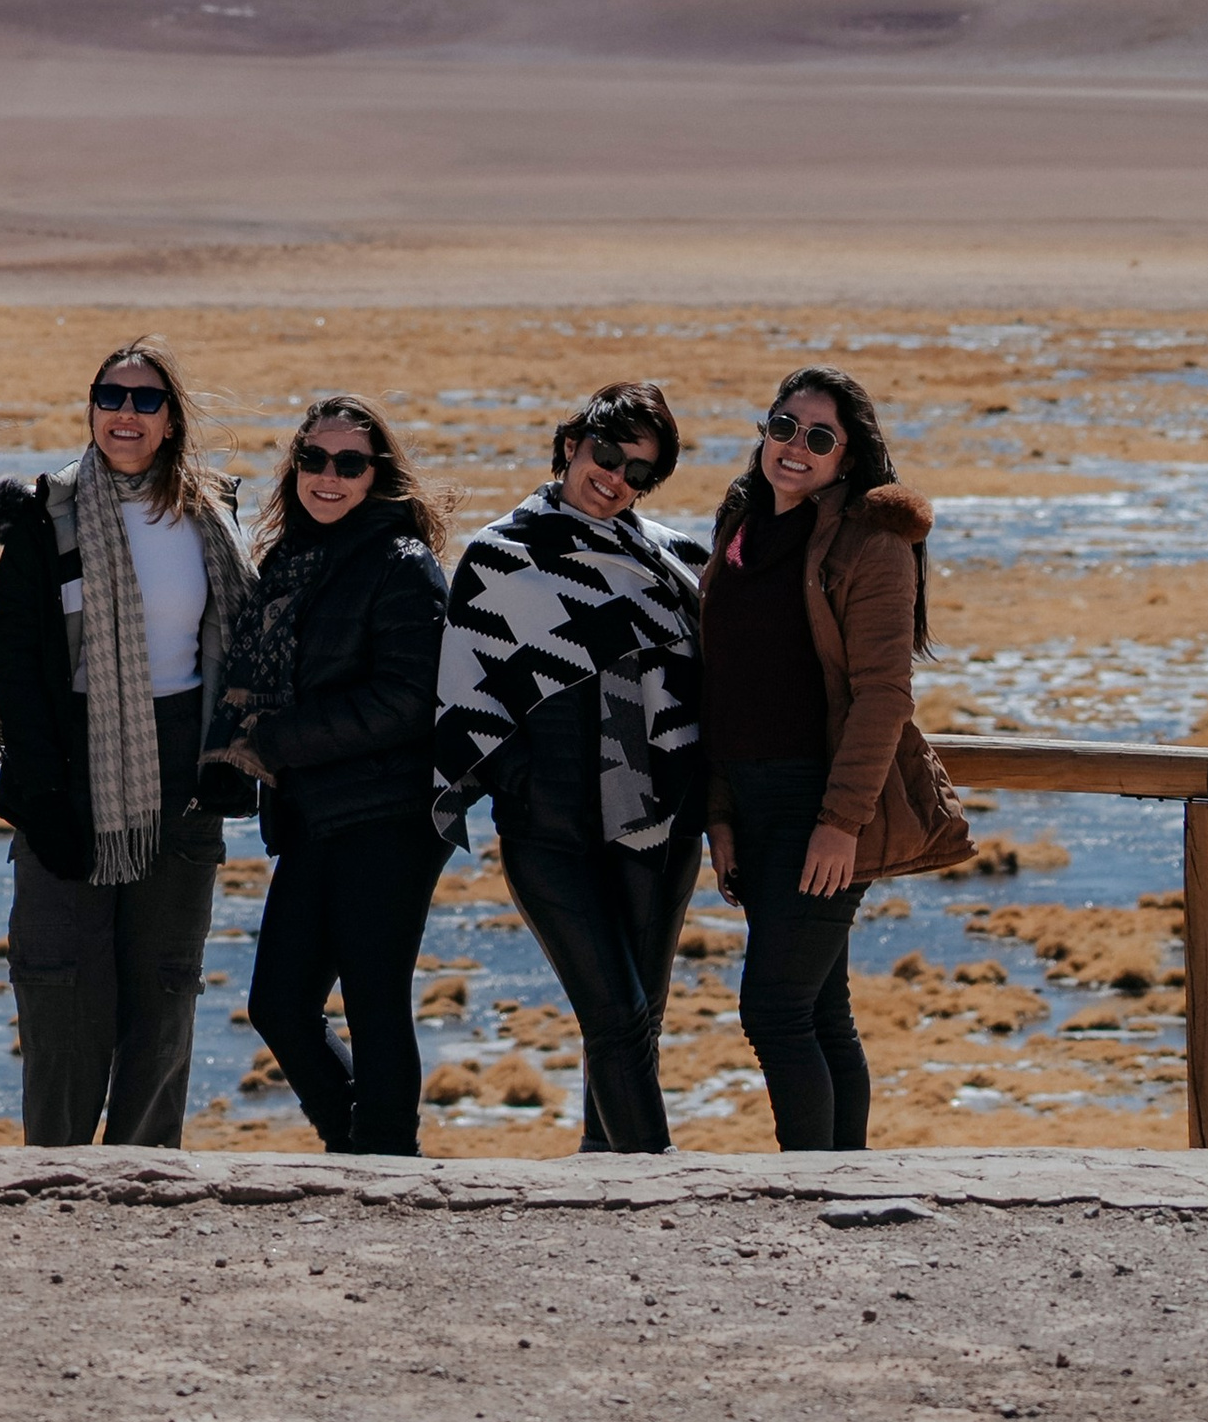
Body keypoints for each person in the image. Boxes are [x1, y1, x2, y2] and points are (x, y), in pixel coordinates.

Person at [0, 342, 248, 1150]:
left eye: (144, 401)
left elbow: (241, 645)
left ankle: (143, 1174)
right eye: (110, 397)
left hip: (183, 773)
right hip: (71, 767)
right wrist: (46, 793)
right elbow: (17, 668)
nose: (124, 414)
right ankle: (55, 1172)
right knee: (62, 987)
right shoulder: (46, 515)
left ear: (172, 421)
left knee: (164, 988)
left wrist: (232, 761)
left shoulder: (213, 511)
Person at [432, 383, 706, 1155]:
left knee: (637, 1025)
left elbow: (713, 688)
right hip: (548, 834)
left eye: (638, 473)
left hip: (658, 828)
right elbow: (465, 693)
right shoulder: (498, 558)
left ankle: (604, 1173)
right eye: (605, 455)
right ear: (568, 448)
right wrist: (516, 780)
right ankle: (662, 1187)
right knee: (615, 1017)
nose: (614, 478)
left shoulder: (675, 561)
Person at [703, 364, 970, 1149]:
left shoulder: (871, 543)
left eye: (819, 437)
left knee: (774, 1010)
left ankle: (808, 1189)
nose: (795, 447)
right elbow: (721, 683)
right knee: (820, 1009)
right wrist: (718, 811)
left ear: (847, 457)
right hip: (752, 803)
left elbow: (885, 694)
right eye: (783, 426)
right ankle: (844, 1185)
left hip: (817, 806)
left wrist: (840, 824)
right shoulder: (742, 522)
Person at [201, 396, 451, 1157]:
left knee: (375, 1003)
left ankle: (384, 1163)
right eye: (313, 459)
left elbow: (409, 700)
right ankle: (362, 1151)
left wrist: (275, 740)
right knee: (278, 1004)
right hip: (315, 812)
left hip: (390, 815)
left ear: (378, 476)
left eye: (350, 463)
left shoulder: (401, 563)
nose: (328, 476)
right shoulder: (291, 562)